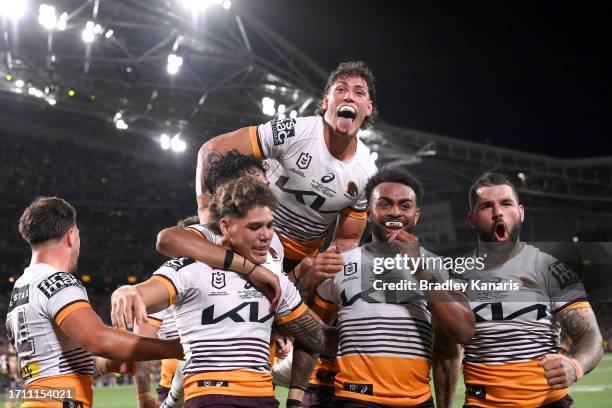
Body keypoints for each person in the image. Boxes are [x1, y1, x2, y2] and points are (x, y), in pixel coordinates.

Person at [111, 179, 337, 408]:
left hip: (265, 399)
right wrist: (129, 292)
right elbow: (148, 291)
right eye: (254, 227)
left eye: (270, 226)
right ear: (226, 227)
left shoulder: (275, 280)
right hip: (211, 396)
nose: (266, 235)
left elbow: (315, 337)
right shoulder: (191, 268)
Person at [289, 167, 475, 408]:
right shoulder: (342, 263)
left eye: (404, 205)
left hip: (417, 401)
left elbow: (460, 333)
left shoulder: (434, 266)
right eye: (384, 204)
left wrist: (419, 267)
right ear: (368, 212)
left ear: (416, 215)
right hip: (355, 398)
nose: (395, 212)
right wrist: (295, 398)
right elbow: (311, 333)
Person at [196, 61, 378, 272]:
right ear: (326, 101)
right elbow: (212, 149)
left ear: (369, 108)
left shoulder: (367, 173)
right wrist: (205, 209)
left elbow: (347, 240)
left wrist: (327, 273)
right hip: (249, 241)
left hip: (300, 263)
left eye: (359, 92)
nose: (348, 96)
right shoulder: (293, 132)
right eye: (341, 89)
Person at [5, 197, 183, 408]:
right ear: (71, 236)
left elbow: (59, 368)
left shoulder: (20, 290)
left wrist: (108, 363)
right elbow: (99, 340)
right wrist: (178, 347)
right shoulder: (57, 282)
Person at [460, 173, 603, 407]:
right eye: (487, 206)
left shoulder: (551, 269)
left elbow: (591, 336)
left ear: (521, 213)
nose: (498, 212)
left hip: (547, 402)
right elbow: (446, 351)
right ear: (472, 218)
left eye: (506, 203)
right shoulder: (456, 276)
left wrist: (575, 366)